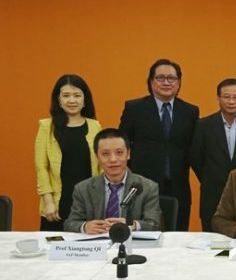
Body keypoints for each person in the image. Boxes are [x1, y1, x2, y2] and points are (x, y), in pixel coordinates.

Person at [119, 58, 199, 231]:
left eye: (172, 78)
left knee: (177, 235)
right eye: (160, 78)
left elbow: (194, 149)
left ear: (178, 83)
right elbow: (122, 145)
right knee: (143, 232)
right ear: (151, 81)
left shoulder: (190, 111)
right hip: (142, 185)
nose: (166, 82)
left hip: (178, 185)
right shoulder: (134, 108)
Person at [191, 78, 236, 231]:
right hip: (212, 195)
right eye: (226, 97)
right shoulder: (203, 125)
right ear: (218, 98)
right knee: (212, 246)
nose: (231, 101)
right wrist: (210, 177)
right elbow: (196, 158)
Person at [35, 74, 102, 231]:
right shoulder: (46, 127)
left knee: (87, 250)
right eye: (66, 96)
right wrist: (49, 202)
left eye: (77, 95)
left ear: (85, 99)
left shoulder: (95, 126)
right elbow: (41, 167)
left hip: (88, 203)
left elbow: (101, 168)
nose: (72, 100)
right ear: (58, 100)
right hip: (58, 203)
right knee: (54, 250)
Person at [64, 128, 161, 234]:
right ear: (97, 157)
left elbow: (155, 224)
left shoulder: (148, 187)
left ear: (128, 154)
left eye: (119, 152)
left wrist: (132, 225)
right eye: (105, 154)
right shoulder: (83, 189)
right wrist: (85, 226)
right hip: (97, 246)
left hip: (132, 245)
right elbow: (70, 223)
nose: (113, 159)